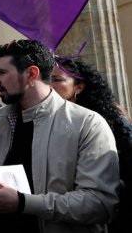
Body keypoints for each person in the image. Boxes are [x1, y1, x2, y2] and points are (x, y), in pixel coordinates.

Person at [0, 40, 120, 233]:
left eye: (1, 72)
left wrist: (24, 203)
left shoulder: (87, 123)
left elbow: (99, 204)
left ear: (31, 74)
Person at [52, 57, 132, 233]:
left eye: (58, 80)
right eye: (48, 80)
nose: (50, 86)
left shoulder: (110, 120)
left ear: (78, 87)